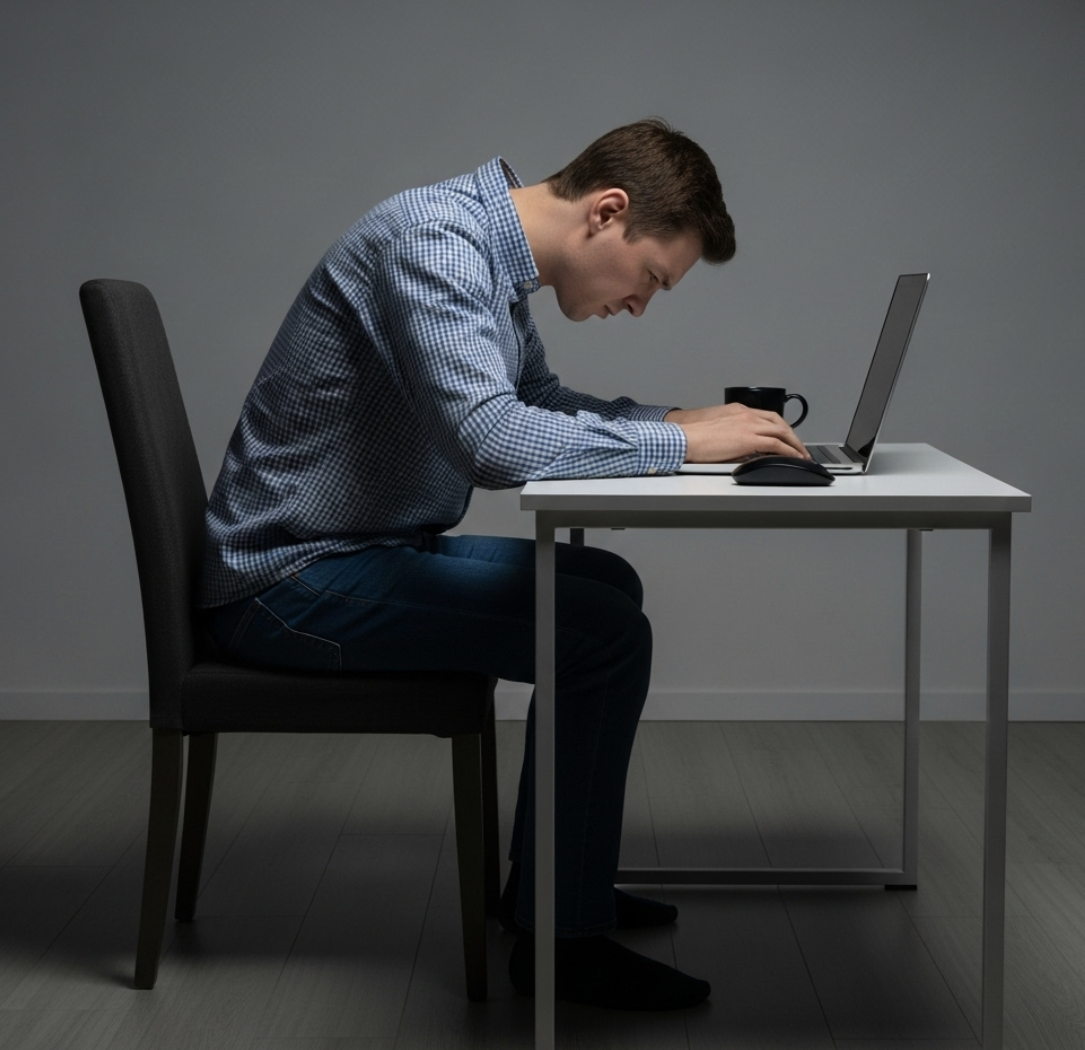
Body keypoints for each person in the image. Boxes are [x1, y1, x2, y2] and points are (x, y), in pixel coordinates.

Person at [199, 118, 808, 1011]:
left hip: (355, 553)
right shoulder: (432, 242)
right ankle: (561, 944)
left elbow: (536, 402)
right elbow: (493, 440)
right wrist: (679, 442)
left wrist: (675, 422)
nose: (641, 305)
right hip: (287, 582)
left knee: (606, 589)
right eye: (652, 279)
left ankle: (553, 891)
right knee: (598, 631)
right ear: (608, 212)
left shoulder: (482, 252)